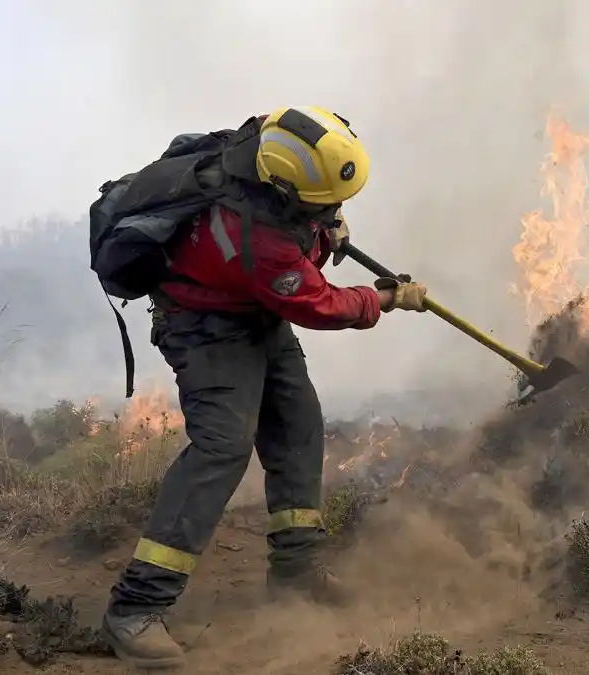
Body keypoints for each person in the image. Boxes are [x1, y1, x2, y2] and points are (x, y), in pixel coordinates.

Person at [99, 106, 427, 669]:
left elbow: (301, 251)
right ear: (287, 187)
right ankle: (135, 609)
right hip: (204, 327)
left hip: (254, 309)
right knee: (222, 449)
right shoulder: (250, 235)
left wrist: (325, 229)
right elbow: (316, 302)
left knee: (298, 427)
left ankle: (296, 573)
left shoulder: (269, 154)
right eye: (323, 203)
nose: (334, 209)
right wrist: (386, 299)